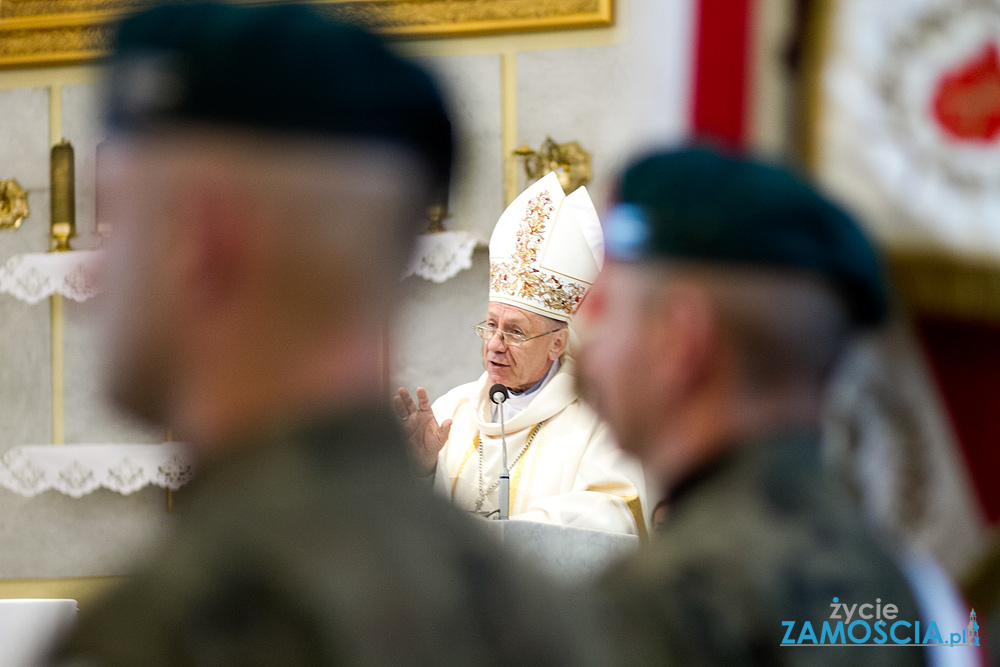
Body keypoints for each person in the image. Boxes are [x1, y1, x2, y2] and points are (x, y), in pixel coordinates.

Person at [48, 4, 611, 666]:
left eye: (116, 221)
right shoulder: (549, 622)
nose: (91, 269)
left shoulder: (165, 635)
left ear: (203, 240)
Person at [579, 148, 928, 665]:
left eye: (605, 304)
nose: (588, 340)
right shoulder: (893, 585)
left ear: (680, 341)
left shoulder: (662, 603)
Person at [395, 172, 649, 535]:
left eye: (515, 332)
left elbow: (613, 516)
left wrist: (503, 540)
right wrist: (423, 469)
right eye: (491, 326)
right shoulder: (452, 411)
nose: (495, 344)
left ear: (557, 343)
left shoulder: (599, 421)